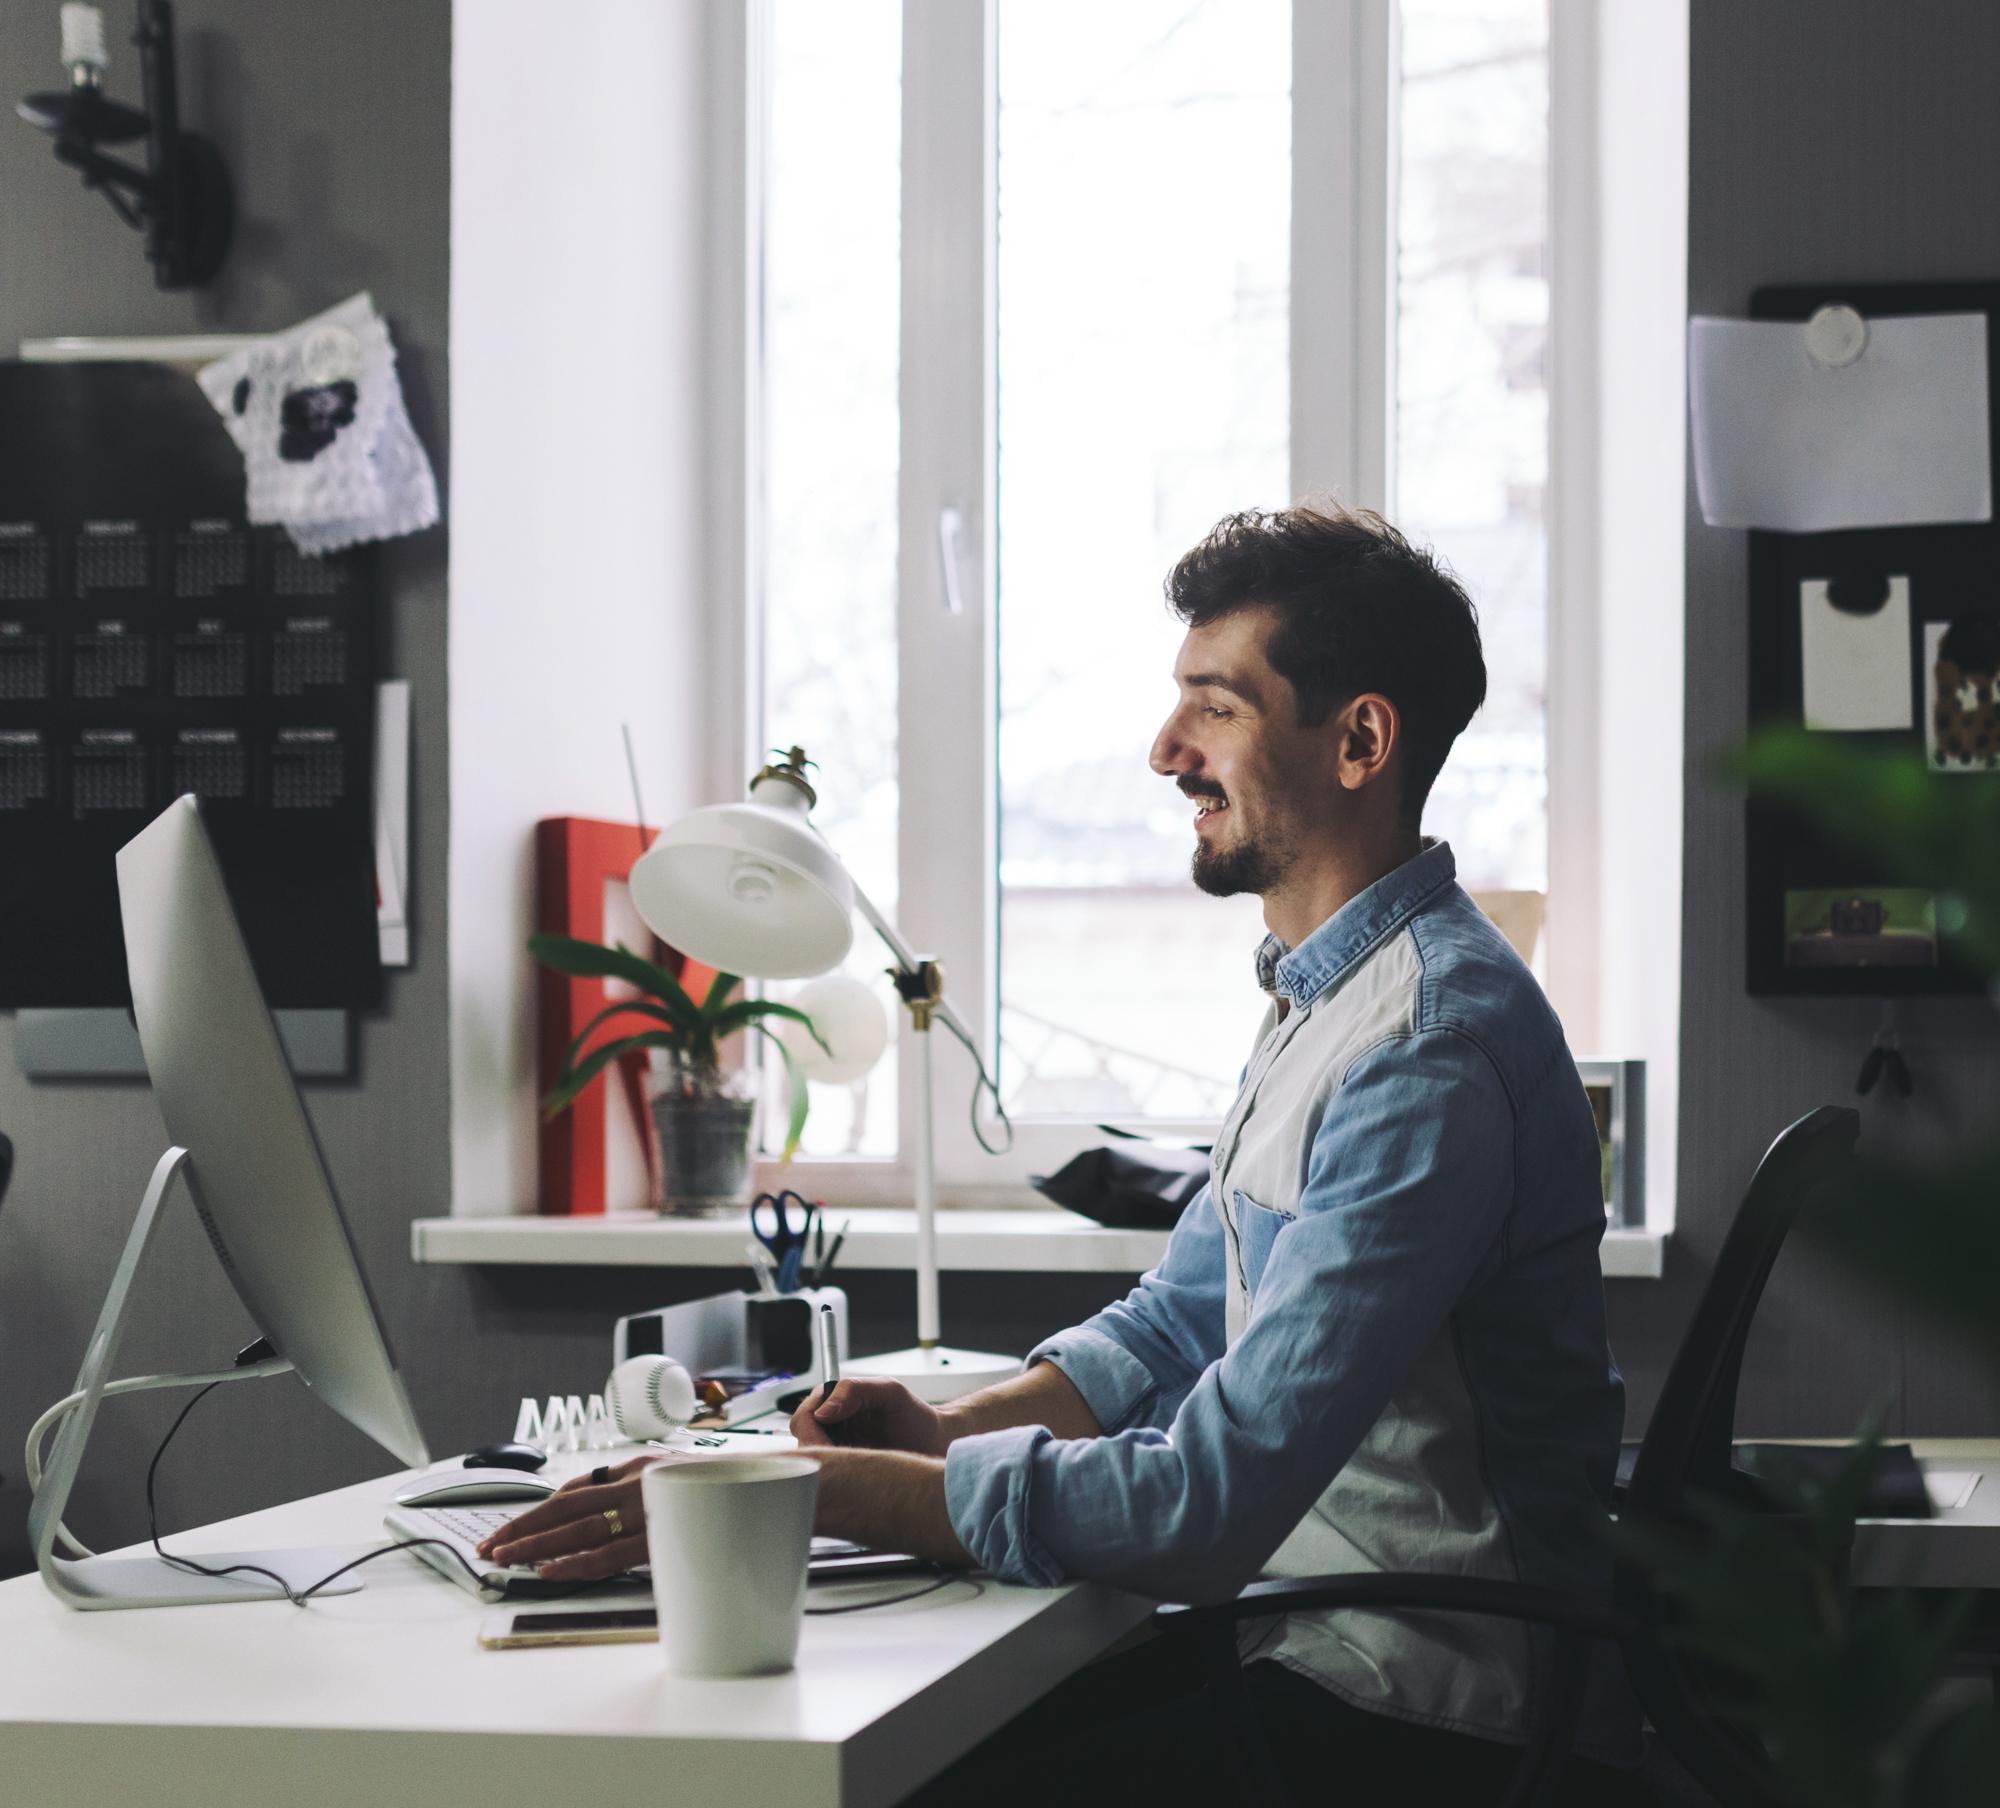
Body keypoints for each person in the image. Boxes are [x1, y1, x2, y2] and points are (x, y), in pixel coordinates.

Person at [481, 505, 1648, 1802]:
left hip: (1425, 1705)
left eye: (1216, 707)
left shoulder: (1424, 1048)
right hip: (1299, 1636)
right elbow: (1176, 1323)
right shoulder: (1329, 998)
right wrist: (940, 1434)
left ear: (1360, 741)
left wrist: (816, 1489)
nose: (1166, 750)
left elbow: (1206, 1504)